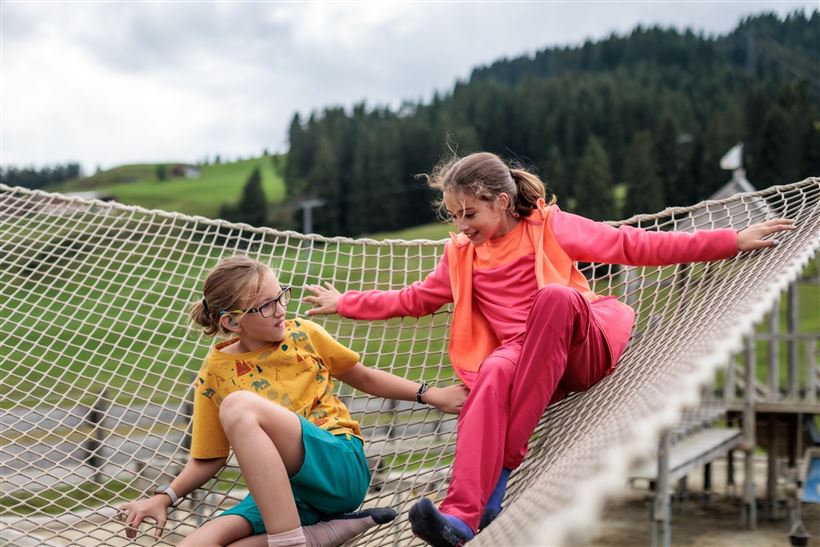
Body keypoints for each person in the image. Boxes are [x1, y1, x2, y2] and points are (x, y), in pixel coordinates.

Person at [303, 152, 797, 547]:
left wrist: (731, 239)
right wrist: (345, 301)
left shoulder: (550, 226)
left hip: (581, 346)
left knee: (556, 296)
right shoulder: (459, 254)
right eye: (454, 215)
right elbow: (413, 299)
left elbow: (635, 246)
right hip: (525, 365)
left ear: (500, 200)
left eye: (469, 213)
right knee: (494, 369)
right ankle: (462, 515)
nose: (461, 224)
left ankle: (503, 468)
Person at [118, 256, 468, 547]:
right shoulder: (215, 373)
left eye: (281, 295)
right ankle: (319, 537)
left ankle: (291, 543)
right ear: (231, 321)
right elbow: (208, 458)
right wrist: (164, 497)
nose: (281, 309)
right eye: (266, 305)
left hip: (337, 464)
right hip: (285, 496)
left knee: (239, 406)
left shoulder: (304, 334)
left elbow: (362, 376)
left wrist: (430, 394)